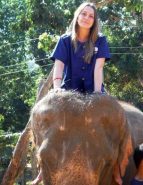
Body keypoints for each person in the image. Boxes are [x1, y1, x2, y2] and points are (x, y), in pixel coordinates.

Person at [32, 2, 111, 185]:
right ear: (77, 16)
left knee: (110, 121)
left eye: (91, 16)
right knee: (49, 126)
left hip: (93, 91)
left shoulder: (101, 40)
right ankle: (44, 168)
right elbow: (58, 67)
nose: (86, 18)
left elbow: (98, 68)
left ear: (94, 21)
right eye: (83, 14)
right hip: (67, 92)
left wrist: (98, 94)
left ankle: (114, 166)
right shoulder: (65, 40)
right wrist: (57, 88)